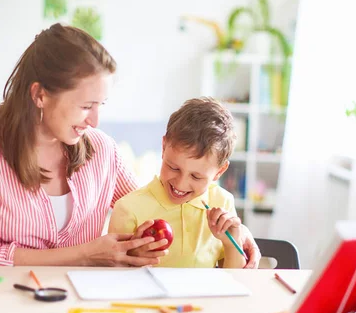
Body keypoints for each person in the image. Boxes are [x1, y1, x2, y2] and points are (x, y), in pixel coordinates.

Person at [0, 23, 261, 267]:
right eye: (85, 106)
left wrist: (239, 236)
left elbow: (157, 204)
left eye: (101, 105)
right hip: (2, 304)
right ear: (39, 95)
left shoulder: (102, 150)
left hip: (85, 307)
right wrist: (85, 254)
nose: (94, 121)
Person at [109, 97, 257, 268]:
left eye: (196, 177)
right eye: (173, 168)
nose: (180, 184)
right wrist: (133, 258)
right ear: (163, 148)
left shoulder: (222, 202)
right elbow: (115, 277)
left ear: (220, 171)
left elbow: (234, 281)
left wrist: (232, 243)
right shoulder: (128, 209)